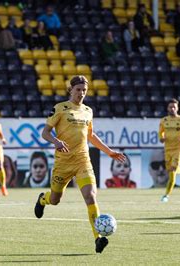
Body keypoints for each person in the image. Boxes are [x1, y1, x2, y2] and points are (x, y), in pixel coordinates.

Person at [34, 75, 126, 253]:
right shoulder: (60, 108)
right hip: (63, 163)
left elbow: (91, 135)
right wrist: (56, 142)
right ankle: (42, 199)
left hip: (83, 160)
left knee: (90, 196)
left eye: (84, 90)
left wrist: (109, 151)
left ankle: (98, 238)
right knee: (55, 200)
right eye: (78, 90)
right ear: (71, 90)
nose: (81, 93)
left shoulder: (88, 111)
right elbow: (45, 132)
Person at [159, 98, 180, 202]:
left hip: (179, 148)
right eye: (170, 107)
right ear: (167, 108)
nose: (172, 108)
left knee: (173, 172)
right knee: (170, 171)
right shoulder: (164, 121)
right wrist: (161, 138)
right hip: (168, 149)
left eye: (174, 107)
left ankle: (166, 195)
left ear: (177, 108)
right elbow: (160, 132)